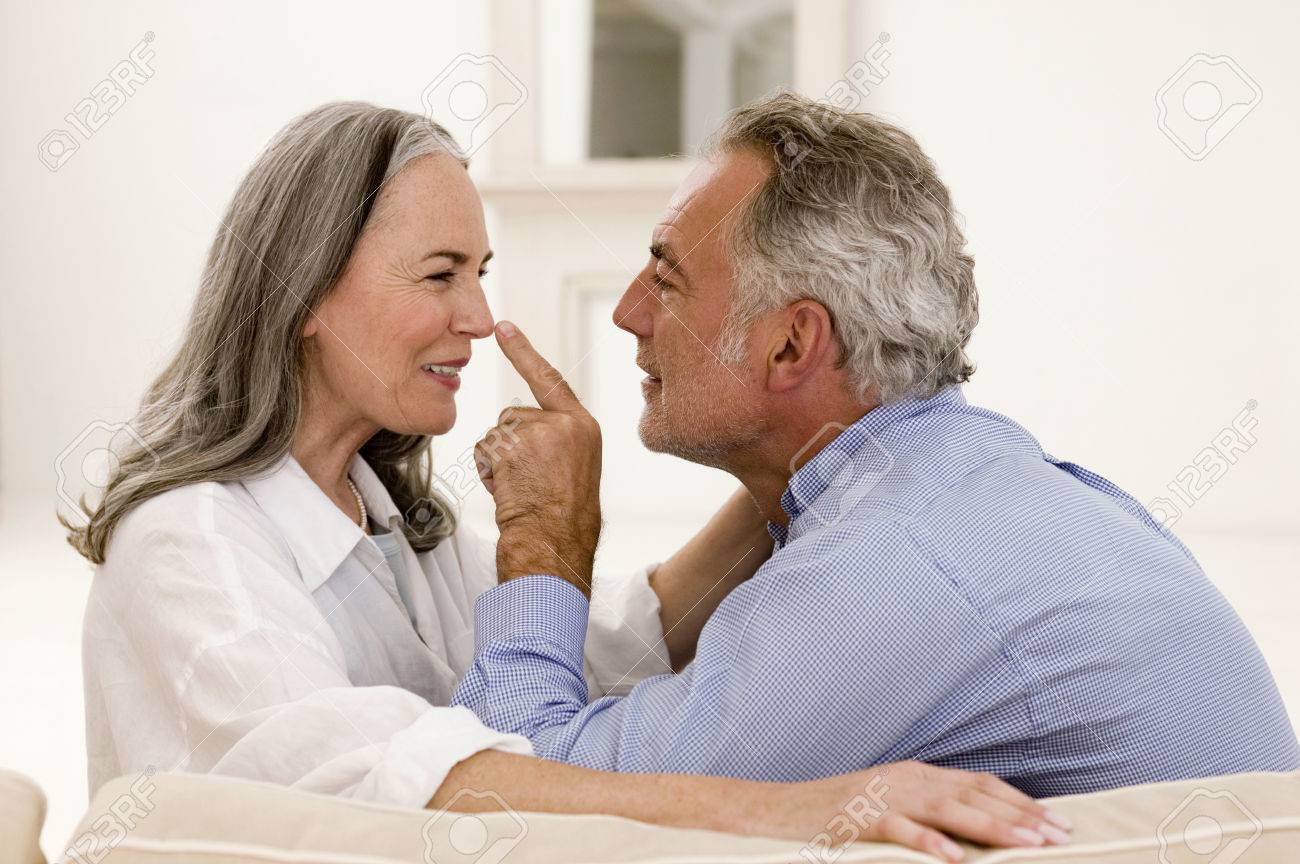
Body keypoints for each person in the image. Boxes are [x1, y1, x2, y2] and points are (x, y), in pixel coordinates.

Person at [63, 101, 1067, 861]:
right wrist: (796, 812)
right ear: (304, 291)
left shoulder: (390, 524)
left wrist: (794, 451)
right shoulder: (192, 545)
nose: (477, 317)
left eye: (480, 272)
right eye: (441, 274)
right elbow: (401, 795)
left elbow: (601, 647)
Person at [455, 91, 1300, 798]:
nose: (627, 313)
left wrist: (542, 534)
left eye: (666, 280)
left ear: (792, 344)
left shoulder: (893, 558)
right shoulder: (960, 488)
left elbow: (527, 797)